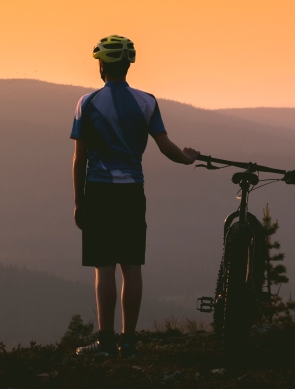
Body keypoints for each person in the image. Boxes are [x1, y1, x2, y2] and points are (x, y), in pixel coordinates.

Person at [71, 35, 199, 357]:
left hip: (98, 191)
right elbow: (165, 146)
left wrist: (79, 201)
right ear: (128, 65)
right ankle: (128, 341)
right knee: (131, 266)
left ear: (102, 65)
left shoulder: (87, 103)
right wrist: (186, 158)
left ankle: (105, 342)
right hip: (132, 191)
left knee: (104, 267)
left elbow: (79, 158)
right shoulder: (146, 102)